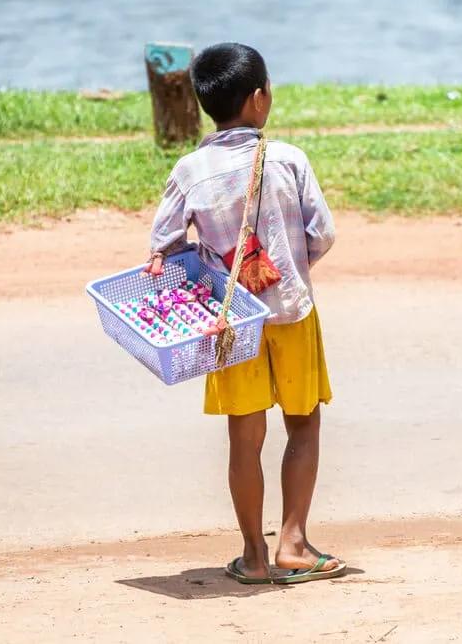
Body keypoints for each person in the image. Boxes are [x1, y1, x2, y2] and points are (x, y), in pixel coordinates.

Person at [144, 42, 343, 585]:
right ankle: (295, 544)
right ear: (260, 99)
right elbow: (321, 233)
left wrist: (211, 271)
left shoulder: (189, 170)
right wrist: (294, 267)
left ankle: (254, 555)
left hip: (230, 325)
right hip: (292, 312)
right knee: (302, 422)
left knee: (244, 437)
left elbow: (163, 245)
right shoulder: (289, 159)